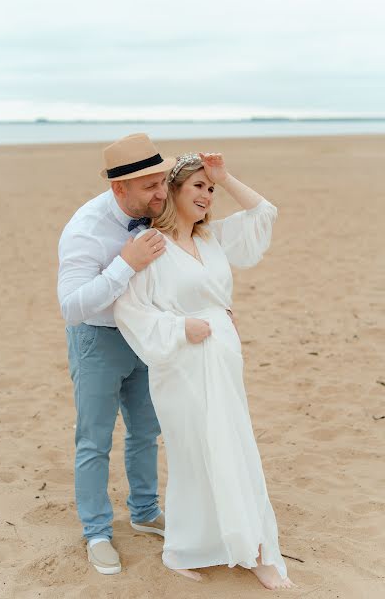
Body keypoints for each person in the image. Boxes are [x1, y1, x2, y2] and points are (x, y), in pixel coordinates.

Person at [113, 152, 295, 590]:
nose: (206, 195)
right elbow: (128, 309)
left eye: (209, 189)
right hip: (182, 363)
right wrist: (179, 327)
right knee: (194, 455)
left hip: (223, 357)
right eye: (197, 186)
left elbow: (262, 212)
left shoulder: (212, 239)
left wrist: (224, 175)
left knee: (234, 445)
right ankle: (185, 549)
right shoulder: (153, 245)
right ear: (172, 191)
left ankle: (250, 547)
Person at [57, 133, 177, 574]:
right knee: (94, 441)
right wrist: (126, 262)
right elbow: (71, 306)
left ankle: (145, 513)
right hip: (97, 340)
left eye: (161, 181)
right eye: (149, 186)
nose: (161, 193)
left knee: (146, 431)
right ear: (118, 188)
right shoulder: (85, 229)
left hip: (145, 337)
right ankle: (97, 532)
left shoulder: (158, 210)